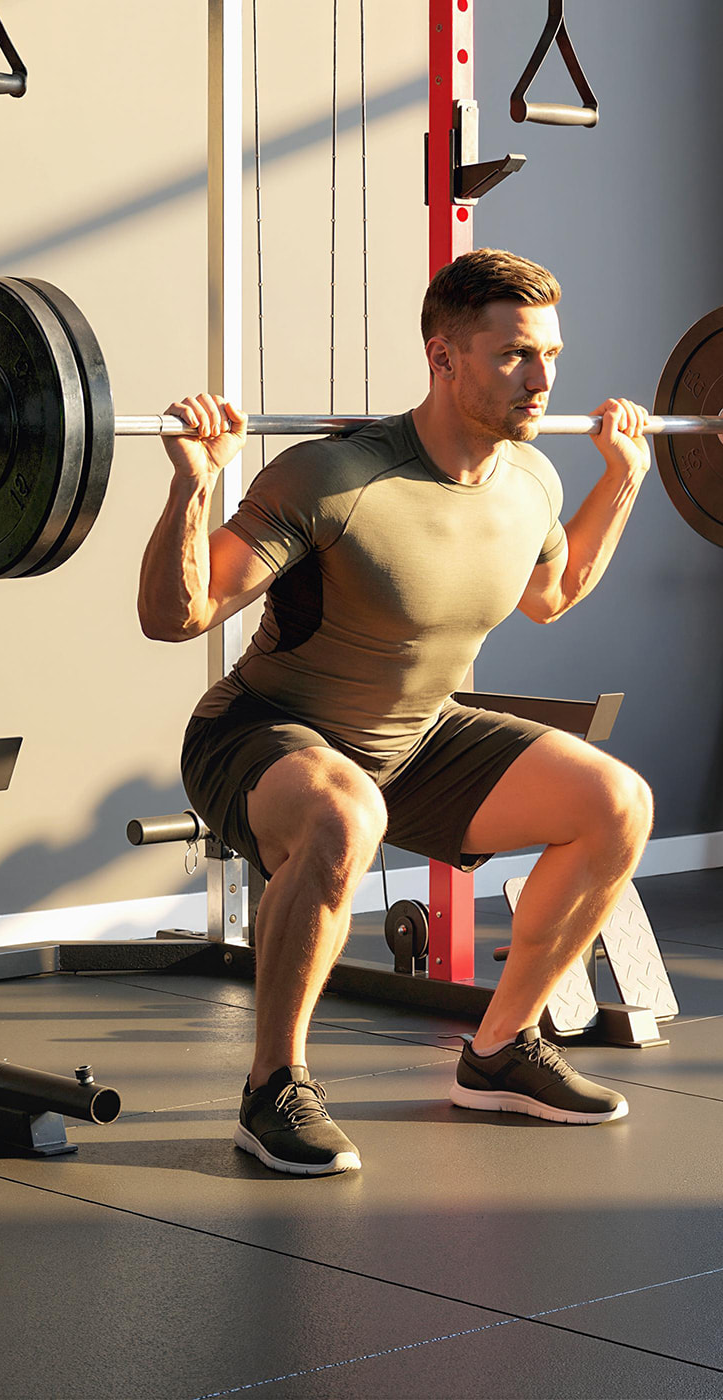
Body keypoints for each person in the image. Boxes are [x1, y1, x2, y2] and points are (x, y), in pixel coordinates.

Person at [137, 248, 656, 1177]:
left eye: (551, 355)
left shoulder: (532, 480)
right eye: (513, 357)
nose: (541, 380)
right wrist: (194, 484)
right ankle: (273, 1089)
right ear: (443, 357)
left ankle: (501, 1050)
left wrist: (620, 478)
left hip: (413, 737)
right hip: (258, 736)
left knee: (617, 803)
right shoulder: (332, 478)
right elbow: (176, 618)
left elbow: (554, 593)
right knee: (345, 812)